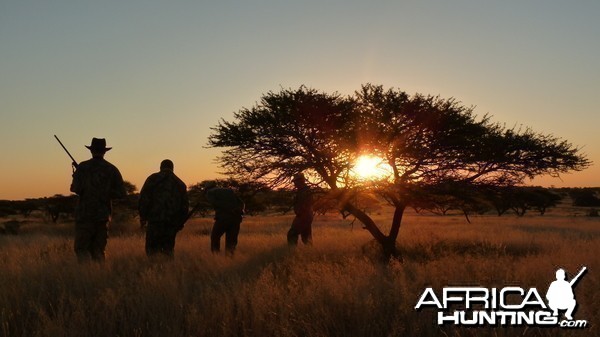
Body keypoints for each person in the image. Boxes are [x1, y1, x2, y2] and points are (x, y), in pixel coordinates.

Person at [70, 138, 126, 262]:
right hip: (102, 216)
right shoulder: (112, 169)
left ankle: (86, 277)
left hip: (84, 216)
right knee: (99, 250)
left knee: (81, 249)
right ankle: (99, 276)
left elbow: (75, 188)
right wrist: (105, 193)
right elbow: (122, 193)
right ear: (104, 151)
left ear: (91, 151)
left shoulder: (83, 167)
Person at [139, 159, 189, 258]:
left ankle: (152, 270)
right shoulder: (180, 184)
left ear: (160, 167)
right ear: (173, 168)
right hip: (171, 223)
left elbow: (143, 199)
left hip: (154, 221)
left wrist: (143, 217)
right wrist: (181, 222)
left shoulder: (152, 179)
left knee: (151, 250)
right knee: (168, 250)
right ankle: (167, 271)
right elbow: (185, 206)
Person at [205, 182, 244, 255]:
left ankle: (215, 256)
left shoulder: (210, 192)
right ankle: (230, 258)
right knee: (231, 240)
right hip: (236, 218)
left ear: (207, 188)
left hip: (223, 218)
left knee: (215, 237)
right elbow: (241, 202)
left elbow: (214, 203)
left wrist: (228, 209)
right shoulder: (229, 190)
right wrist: (239, 211)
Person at [287, 173, 314, 246]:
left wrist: (300, 212)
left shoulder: (305, 191)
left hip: (303, 216)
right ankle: (310, 253)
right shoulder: (302, 191)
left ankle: (291, 252)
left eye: (296, 181)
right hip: (305, 216)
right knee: (306, 237)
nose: (294, 183)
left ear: (301, 181)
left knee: (292, 234)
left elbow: (308, 204)